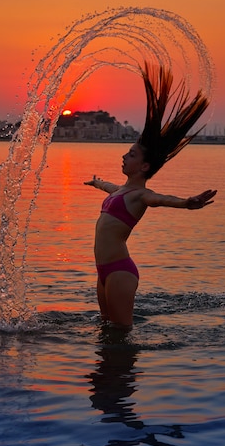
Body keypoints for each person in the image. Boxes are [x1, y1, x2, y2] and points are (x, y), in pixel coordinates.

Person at [84, 62, 217, 330]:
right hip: (103, 272)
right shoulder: (121, 191)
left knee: (122, 332)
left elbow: (162, 199)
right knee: (106, 329)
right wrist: (98, 183)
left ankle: (127, 371)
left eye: (131, 154)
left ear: (144, 166)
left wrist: (187, 203)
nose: (124, 155)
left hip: (120, 270)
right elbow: (111, 187)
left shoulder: (140, 195)